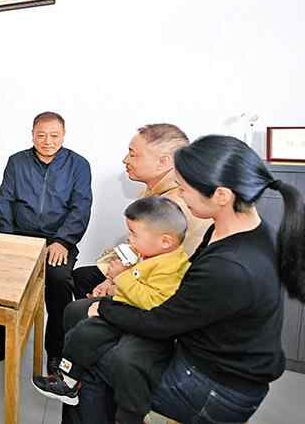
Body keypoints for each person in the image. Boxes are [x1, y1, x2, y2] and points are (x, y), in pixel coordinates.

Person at [64, 135, 305, 424]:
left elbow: (161, 323)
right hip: (200, 348)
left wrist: (105, 307)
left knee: (90, 355)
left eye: (184, 188)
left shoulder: (231, 266)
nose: (179, 194)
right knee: (82, 318)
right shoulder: (232, 228)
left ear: (221, 196)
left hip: (213, 386)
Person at [33, 197, 189, 424]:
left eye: (134, 234)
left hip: (136, 318)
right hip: (122, 308)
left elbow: (150, 301)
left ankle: (120, 410)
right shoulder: (151, 253)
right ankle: (68, 380)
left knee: (100, 342)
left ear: (165, 241)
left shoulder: (171, 268)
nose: (129, 238)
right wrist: (111, 282)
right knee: (83, 331)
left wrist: (121, 277)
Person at [0, 111, 92, 373]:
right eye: (41, 135)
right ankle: (5, 340)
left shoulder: (78, 165)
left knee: (58, 282)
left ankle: (55, 351)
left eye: (54, 135)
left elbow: (80, 207)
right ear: (32, 135)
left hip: (57, 241)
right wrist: (8, 239)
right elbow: (4, 201)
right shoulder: (17, 162)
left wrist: (63, 241)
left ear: (63, 135)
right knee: (4, 281)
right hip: (19, 237)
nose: (47, 141)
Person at [72, 123, 209, 300]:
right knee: (83, 276)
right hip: (144, 271)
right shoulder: (159, 191)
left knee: (83, 283)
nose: (125, 160)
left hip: (163, 288)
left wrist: (112, 284)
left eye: (133, 154)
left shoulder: (172, 205)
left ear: (163, 162)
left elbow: (149, 265)